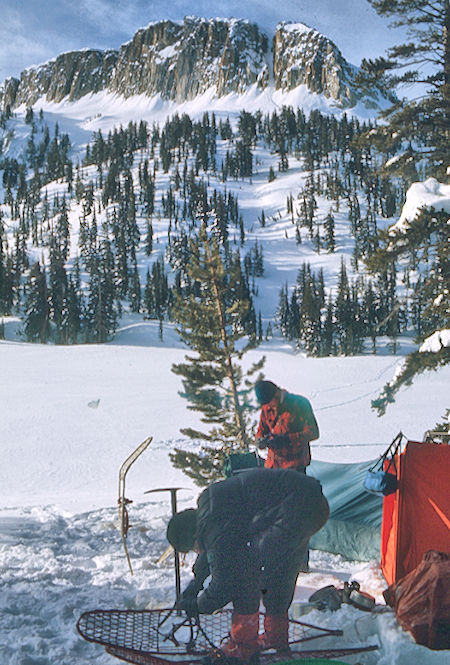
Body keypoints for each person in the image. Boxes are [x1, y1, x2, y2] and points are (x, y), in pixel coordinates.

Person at [166, 468, 329, 664]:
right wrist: (197, 582)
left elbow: (225, 583)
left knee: (244, 570)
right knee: (279, 571)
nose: (197, 552)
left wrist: (199, 605)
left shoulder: (213, 528)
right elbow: (214, 549)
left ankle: (242, 645)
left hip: (294, 512)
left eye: (193, 549)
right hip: (312, 504)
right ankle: (275, 638)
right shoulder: (209, 510)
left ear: (193, 537)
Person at [254, 380, 319, 473]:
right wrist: (259, 440)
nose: (269, 407)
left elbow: (313, 433)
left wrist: (286, 440)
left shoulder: (300, 404)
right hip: (272, 466)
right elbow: (262, 430)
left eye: (270, 403)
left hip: (295, 467)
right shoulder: (266, 407)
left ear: (276, 395)